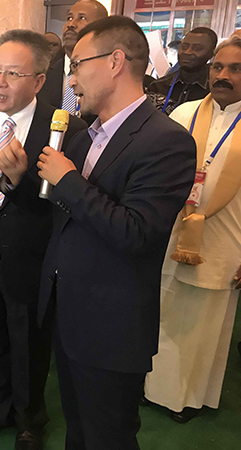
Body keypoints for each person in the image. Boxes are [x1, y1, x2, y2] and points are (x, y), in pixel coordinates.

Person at [0, 16, 197, 448]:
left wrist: (68, 180)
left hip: (111, 324)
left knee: (109, 435)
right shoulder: (85, 137)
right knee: (78, 427)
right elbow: (63, 213)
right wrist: (19, 179)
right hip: (68, 310)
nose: (71, 80)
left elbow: (137, 233)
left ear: (115, 61)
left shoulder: (166, 141)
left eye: (77, 65)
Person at [0, 30, 87, 450]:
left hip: (35, 257)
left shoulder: (65, 129)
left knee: (30, 344)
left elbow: (66, 205)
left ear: (39, 80)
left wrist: (19, 180)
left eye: (13, 73)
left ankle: (30, 419)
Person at [144, 35, 241, 424]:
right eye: (218, 67)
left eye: (235, 69)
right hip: (172, 233)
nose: (223, 75)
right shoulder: (184, 114)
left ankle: (187, 399)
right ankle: (151, 388)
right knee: (162, 313)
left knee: (203, 326)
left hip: (225, 241)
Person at [37, 0, 108, 117]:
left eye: (82, 18)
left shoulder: (108, 76)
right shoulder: (44, 75)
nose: (71, 24)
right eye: (69, 18)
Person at [147, 27, 217, 115]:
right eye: (184, 47)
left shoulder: (215, 90)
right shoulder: (158, 86)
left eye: (197, 48)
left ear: (211, 54)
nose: (187, 52)